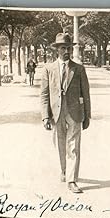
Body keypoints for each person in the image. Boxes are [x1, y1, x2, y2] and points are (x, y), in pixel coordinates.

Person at [40, 33, 91, 194]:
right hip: (56, 113)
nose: (67, 51)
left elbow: (86, 93)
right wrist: (45, 116)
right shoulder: (48, 69)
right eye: (63, 48)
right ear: (57, 50)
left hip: (75, 113)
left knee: (73, 147)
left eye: (69, 48)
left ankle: (72, 179)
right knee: (60, 145)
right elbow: (44, 94)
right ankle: (64, 170)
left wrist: (87, 115)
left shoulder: (79, 69)